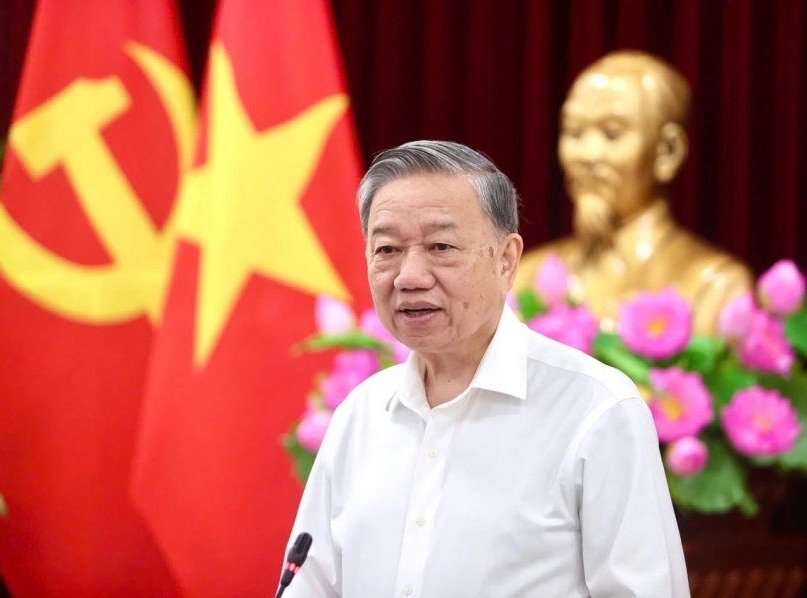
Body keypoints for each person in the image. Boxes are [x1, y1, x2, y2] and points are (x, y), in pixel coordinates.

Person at [281, 140, 690, 597]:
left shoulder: (596, 410)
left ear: (506, 260)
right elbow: (309, 585)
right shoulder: (360, 415)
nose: (409, 276)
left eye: (440, 246)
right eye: (387, 249)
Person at [515, 51, 752, 335]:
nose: (587, 155)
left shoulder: (715, 287)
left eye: (612, 134)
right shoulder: (525, 277)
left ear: (667, 151)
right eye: (574, 133)